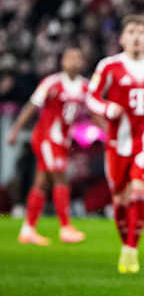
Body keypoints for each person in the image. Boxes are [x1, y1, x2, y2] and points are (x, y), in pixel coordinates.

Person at [86, 14, 144, 274]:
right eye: (131, 32)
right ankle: (126, 244)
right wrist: (106, 108)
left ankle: (132, 248)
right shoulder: (108, 66)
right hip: (117, 140)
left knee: (139, 190)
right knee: (120, 198)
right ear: (122, 38)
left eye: (141, 32)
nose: (136, 37)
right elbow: (91, 96)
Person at [7, 47, 88, 245]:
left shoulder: (85, 86)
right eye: (70, 57)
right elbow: (32, 106)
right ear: (63, 62)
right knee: (61, 178)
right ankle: (65, 227)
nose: (74, 61)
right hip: (47, 138)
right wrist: (15, 130)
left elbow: (93, 111)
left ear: (83, 63)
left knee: (42, 182)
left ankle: (28, 229)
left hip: (62, 140)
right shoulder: (52, 82)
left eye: (78, 58)